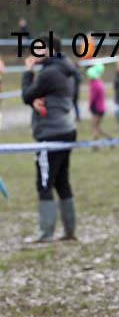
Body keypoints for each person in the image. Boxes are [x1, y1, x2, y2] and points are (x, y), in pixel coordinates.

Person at [21, 34, 80, 242]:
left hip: (50, 133)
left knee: (44, 182)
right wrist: (38, 100)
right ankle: (69, 230)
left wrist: (28, 72)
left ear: (49, 49)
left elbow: (27, 95)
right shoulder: (68, 68)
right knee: (62, 180)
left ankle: (45, 232)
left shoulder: (49, 72)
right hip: (67, 128)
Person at [86, 64, 112, 140]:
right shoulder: (99, 82)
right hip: (101, 108)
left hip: (96, 109)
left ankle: (96, 144)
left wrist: (89, 106)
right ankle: (109, 139)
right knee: (97, 127)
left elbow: (92, 98)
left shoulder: (94, 85)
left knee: (94, 127)